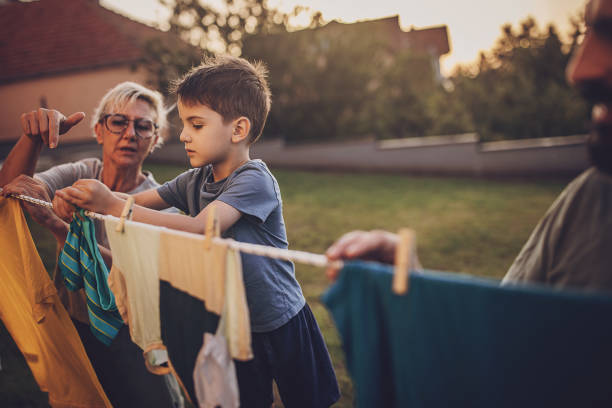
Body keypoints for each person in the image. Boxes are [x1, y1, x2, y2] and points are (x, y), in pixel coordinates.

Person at [56, 55, 341, 407]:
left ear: (238, 130)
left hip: (281, 319)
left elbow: (201, 228)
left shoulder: (254, 179)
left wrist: (114, 206)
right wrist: (85, 197)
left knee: (308, 401)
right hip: (234, 324)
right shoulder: (195, 179)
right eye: (183, 124)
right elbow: (135, 199)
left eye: (196, 125)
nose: (183, 134)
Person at [326, 0, 612, 291]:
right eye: (589, 31)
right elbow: (503, 329)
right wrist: (414, 287)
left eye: (609, 32)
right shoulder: (590, 203)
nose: (578, 70)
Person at [0, 81, 178, 406]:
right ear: (99, 130)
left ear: (155, 139)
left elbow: (137, 275)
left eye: (143, 126)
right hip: (74, 321)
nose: (130, 133)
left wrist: (58, 227)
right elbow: (11, 188)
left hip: (135, 334)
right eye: (118, 122)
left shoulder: (164, 202)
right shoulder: (83, 171)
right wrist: (32, 140)